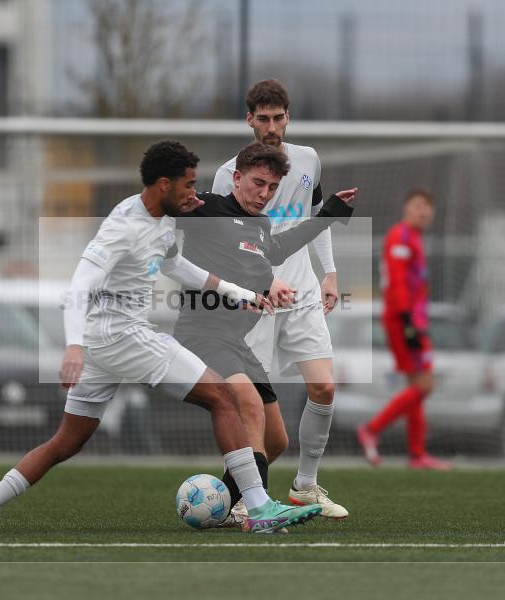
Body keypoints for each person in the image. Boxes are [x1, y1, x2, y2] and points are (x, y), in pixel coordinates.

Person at [0, 140, 322, 534]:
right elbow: (80, 286)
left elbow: (179, 267)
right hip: (123, 338)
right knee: (224, 398)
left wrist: (241, 293)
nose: (194, 194)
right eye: (188, 185)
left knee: (65, 442)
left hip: (103, 345)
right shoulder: (124, 226)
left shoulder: (163, 219)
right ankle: (259, 508)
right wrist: (72, 345)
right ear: (164, 185)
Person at [174, 142, 357, 527]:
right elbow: (165, 213)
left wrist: (327, 214)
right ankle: (260, 510)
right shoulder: (207, 208)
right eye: (258, 183)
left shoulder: (260, 226)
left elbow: (278, 250)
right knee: (250, 406)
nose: (264, 194)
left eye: (272, 187)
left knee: (277, 440)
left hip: (236, 342)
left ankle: (227, 501)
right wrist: (169, 202)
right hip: (203, 334)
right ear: (236, 178)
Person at [211, 79, 348, 519]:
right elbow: (222, 241)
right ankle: (239, 497)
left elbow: (316, 217)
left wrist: (329, 273)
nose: (272, 127)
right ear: (249, 120)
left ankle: (305, 486)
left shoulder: (308, 160)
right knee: (255, 413)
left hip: (302, 290)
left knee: (324, 386)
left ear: (288, 117)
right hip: (257, 300)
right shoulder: (227, 173)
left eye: (279, 118)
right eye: (263, 119)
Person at [357, 188, 451, 470]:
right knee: (425, 385)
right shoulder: (401, 237)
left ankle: (417, 455)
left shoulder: (414, 238)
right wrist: (409, 322)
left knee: (416, 386)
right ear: (406, 208)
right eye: (419, 205)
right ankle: (371, 429)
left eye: (428, 207)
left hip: (411, 319)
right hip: (403, 320)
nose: (424, 211)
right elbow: (397, 282)